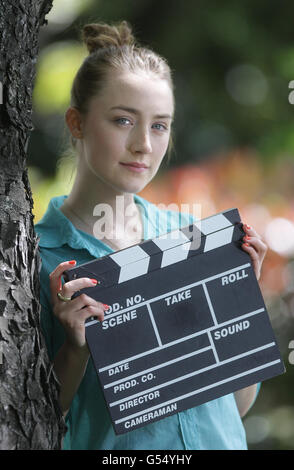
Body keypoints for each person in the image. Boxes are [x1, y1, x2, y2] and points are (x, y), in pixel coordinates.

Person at [35, 20, 267, 450]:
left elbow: (236, 408)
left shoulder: (192, 239)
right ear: (77, 122)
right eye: (123, 120)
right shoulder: (36, 259)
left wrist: (240, 304)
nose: (144, 144)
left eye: (160, 125)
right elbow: (36, 423)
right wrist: (74, 351)